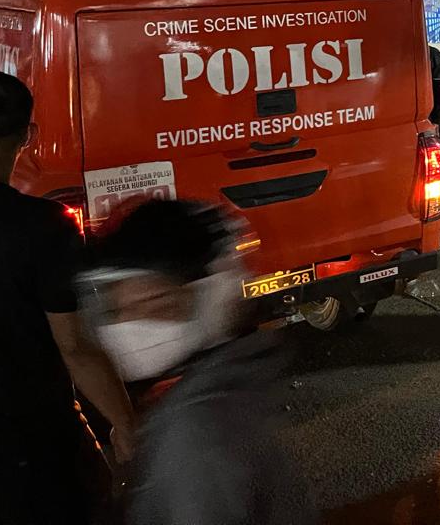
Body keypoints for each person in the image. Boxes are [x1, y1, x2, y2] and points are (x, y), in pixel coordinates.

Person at [81, 198, 318, 525]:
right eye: (120, 308)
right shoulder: (214, 391)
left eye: (156, 302)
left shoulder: (195, 432)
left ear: (212, 295)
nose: (130, 324)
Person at [0, 71, 135, 525]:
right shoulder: (45, 226)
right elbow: (75, 346)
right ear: (28, 136)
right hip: (31, 445)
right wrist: (126, 425)